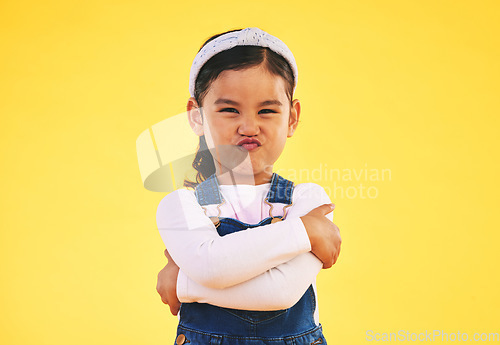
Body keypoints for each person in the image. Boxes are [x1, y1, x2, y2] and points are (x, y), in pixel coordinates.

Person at [155, 27, 342, 345]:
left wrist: (183, 284)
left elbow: (279, 292)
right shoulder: (181, 205)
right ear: (197, 116)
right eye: (229, 109)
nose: (249, 126)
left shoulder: (309, 201)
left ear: (292, 118)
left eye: (267, 110)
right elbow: (212, 266)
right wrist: (303, 232)